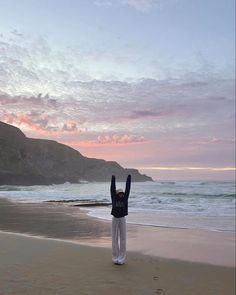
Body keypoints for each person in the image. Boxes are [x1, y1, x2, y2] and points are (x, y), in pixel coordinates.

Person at [110, 174, 131, 265]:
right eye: (119, 193)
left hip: (122, 219)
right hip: (115, 218)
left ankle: (121, 258)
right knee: (114, 238)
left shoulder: (125, 198)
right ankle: (115, 257)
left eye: (122, 193)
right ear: (117, 193)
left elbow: (128, 188)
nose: (121, 194)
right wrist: (113, 179)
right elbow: (112, 189)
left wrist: (128, 179)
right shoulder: (114, 198)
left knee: (123, 239)